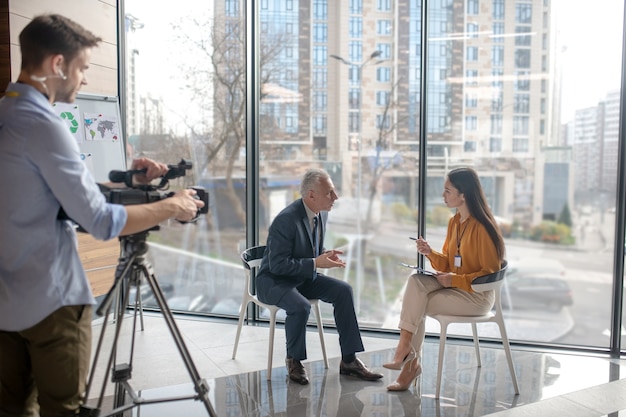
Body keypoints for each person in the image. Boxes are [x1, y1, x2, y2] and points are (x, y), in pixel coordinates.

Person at [0, 14, 204, 416]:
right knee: (64, 409)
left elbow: (39, 194)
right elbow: (98, 221)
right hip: (51, 303)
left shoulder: (7, 115)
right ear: (57, 65)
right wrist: (172, 205)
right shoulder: (44, 124)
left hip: (7, 302)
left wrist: (126, 181)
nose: (85, 79)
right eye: (83, 68)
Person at [255, 168, 383, 385]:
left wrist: (324, 255)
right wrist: (315, 263)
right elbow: (277, 265)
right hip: (274, 281)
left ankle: (349, 360)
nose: (335, 197)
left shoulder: (320, 213)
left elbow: (308, 249)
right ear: (311, 195)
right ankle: (294, 360)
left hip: (302, 278)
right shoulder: (286, 220)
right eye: (330, 193)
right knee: (300, 306)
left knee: (343, 290)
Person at [384, 167, 505, 391]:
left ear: (463, 195)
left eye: (448, 191)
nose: (443, 195)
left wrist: (455, 280)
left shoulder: (484, 228)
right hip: (456, 289)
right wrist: (429, 253)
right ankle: (406, 352)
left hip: (477, 297)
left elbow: (489, 274)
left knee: (416, 303)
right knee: (415, 281)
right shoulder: (455, 222)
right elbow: (449, 264)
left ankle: (408, 362)